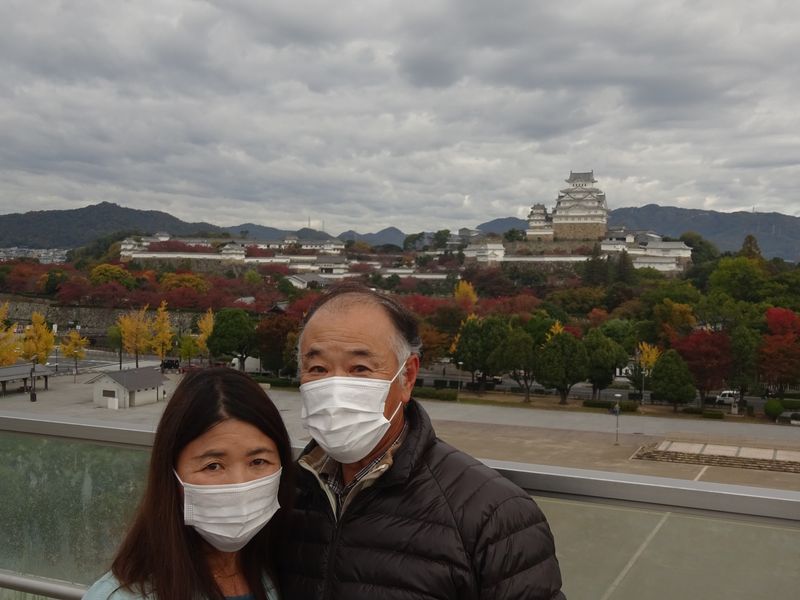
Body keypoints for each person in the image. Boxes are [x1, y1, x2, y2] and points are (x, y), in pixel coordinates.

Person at [278, 283, 564, 599]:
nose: (334, 386)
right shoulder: (285, 496)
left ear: (408, 377)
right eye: (317, 368)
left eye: (360, 368)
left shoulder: (493, 515)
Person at [84, 367, 295, 600]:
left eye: (258, 461)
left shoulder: (290, 572)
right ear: (172, 473)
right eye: (213, 466)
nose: (239, 485)